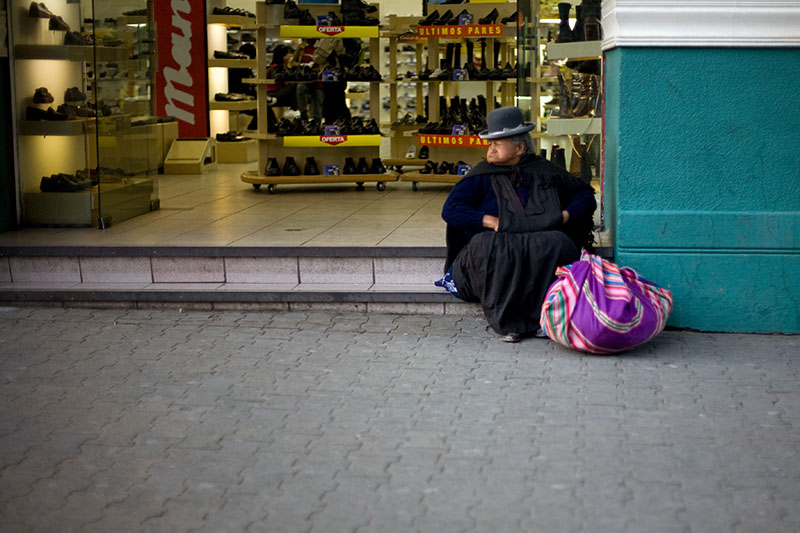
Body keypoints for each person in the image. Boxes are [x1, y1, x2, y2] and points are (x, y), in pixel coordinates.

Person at [437, 106, 596, 343]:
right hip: (496, 244)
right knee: (489, 246)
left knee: (557, 243)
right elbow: (451, 209)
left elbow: (585, 196)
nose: (490, 149)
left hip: (536, 242)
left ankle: (542, 318)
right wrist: (489, 221)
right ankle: (507, 323)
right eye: (490, 143)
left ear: (519, 147)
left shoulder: (543, 171)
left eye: (497, 143)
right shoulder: (481, 176)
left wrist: (563, 216)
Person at [266, 44, 297, 110]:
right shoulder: (277, 67)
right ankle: (294, 108)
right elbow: (285, 81)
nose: (290, 55)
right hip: (274, 93)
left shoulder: (274, 66)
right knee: (295, 85)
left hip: (276, 92)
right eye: (288, 53)